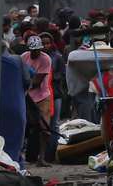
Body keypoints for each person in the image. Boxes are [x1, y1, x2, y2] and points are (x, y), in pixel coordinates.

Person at [0, 40, 30, 163]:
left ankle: (5, 165)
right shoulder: (17, 60)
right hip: (17, 104)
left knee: (1, 139)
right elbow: (27, 80)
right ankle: (17, 166)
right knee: (17, 138)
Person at [21, 35, 53, 166]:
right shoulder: (24, 57)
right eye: (33, 50)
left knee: (45, 128)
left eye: (38, 50)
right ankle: (19, 155)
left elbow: (37, 82)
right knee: (23, 126)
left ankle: (42, 157)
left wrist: (23, 82)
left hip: (42, 97)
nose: (36, 53)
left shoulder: (45, 59)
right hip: (26, 97)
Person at [42, 32, 64, 161]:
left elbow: (61, 75)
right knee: (44, 124)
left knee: (54, 124)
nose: (45, 46)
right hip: (41, 96)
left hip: (55, 94)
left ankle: (52, 153)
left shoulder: (57, 57)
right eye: (43, 43)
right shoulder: (37, 58)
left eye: (47, 43)